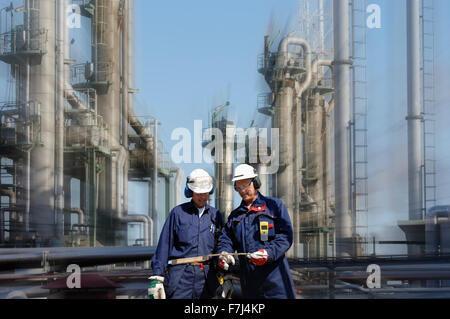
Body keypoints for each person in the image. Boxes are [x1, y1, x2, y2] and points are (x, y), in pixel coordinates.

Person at [216, 164, 296, 299]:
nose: (242, 191)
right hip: (250, 285)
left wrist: (268, 253)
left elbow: (285, 237)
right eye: (238, 187)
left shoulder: (274, 206)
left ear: (256, 182)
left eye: (246, 185)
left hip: (276, 281)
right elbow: (226, 239)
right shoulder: (235, 216)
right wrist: (224, 253)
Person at [148, 169, 224, 299]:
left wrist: (226, 275)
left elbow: (223, 244)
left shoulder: (216, 216)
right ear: (190, 192)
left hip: (207, 278)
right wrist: (157, 277)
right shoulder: (178, 213)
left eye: (205, 193)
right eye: (198, 193)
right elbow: (164, 245)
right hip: (181, 277)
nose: (202, 197)